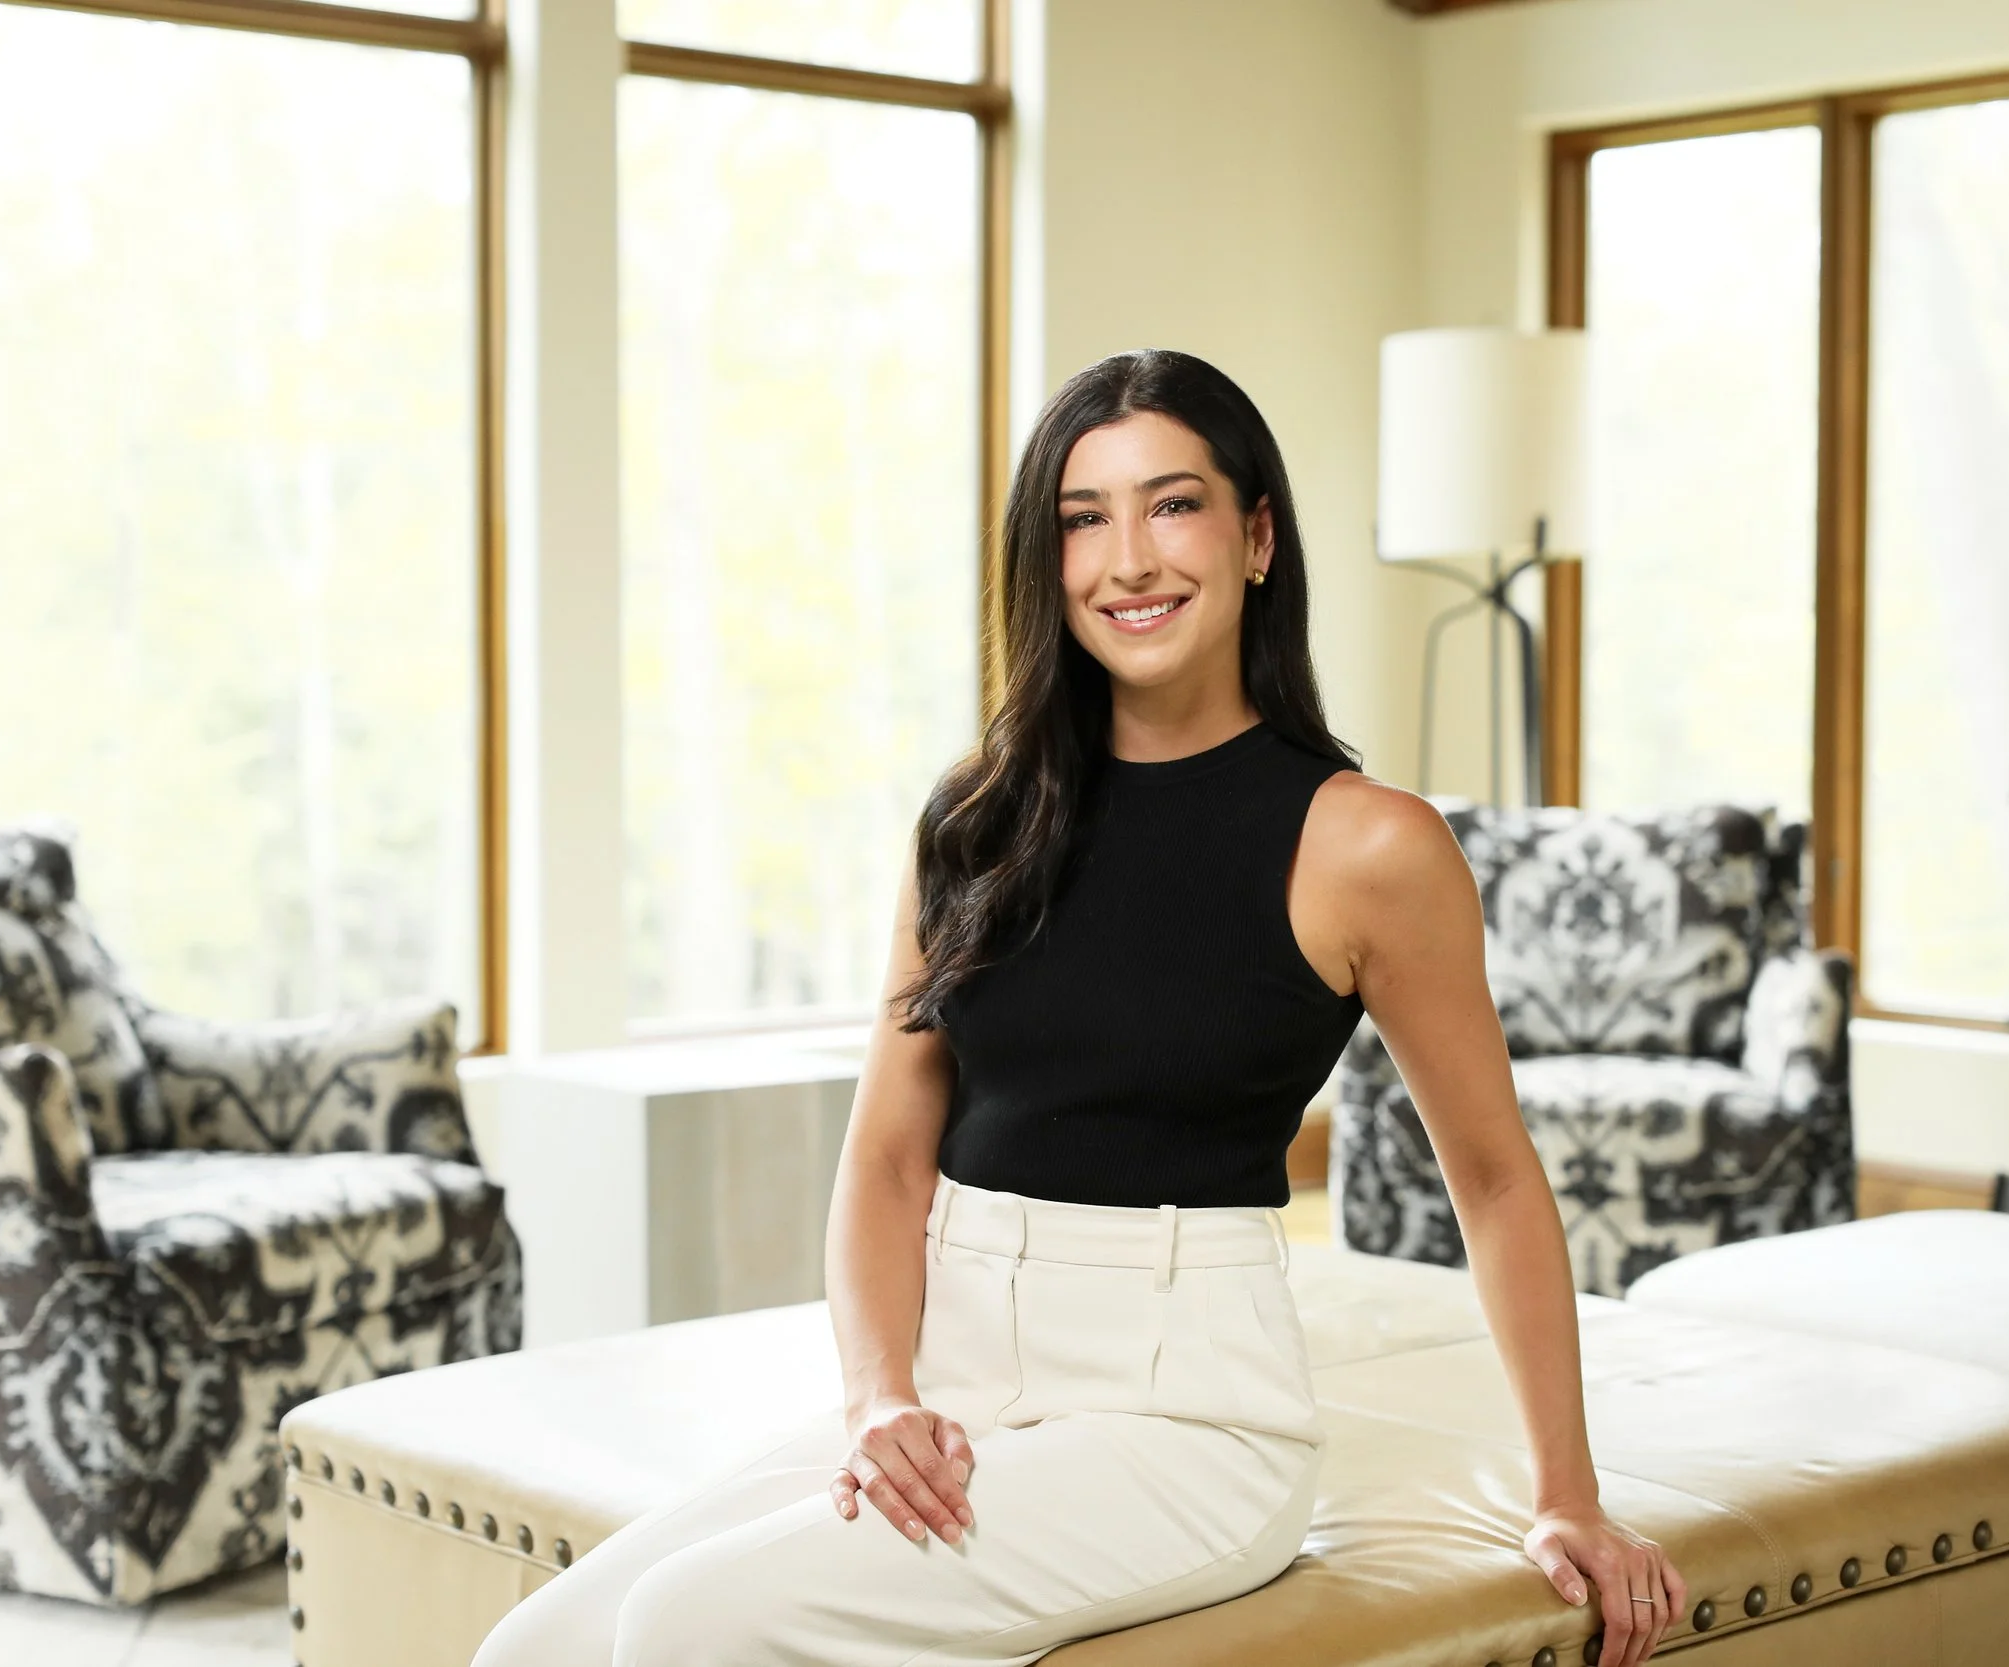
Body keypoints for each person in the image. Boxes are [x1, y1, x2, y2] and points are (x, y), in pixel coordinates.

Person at [470, 349, 1686, 1667]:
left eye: (1172, 505)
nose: (1128, 561)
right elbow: (887, 1155)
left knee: (683, 1629)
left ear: (1257, 534)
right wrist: (880, 1397)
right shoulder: (977, 818)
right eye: (1081, 518)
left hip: (1190, 1426)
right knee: (540, 1644)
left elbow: (1498, 1181)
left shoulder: (1368, 848)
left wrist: (1568, 1490)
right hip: (957, 1392)